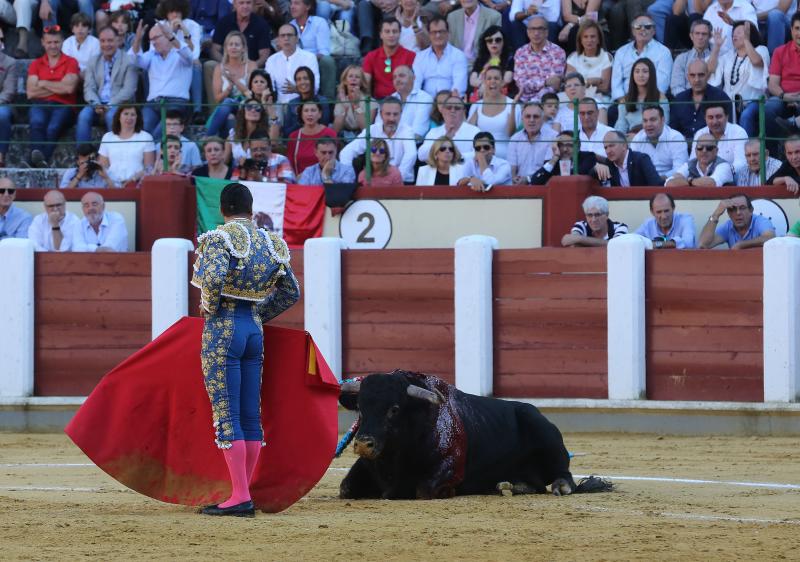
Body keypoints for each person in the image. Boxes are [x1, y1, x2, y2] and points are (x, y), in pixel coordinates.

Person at [192, 182, 300, 517]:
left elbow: (212, 280)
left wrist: (209, 306)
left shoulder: (218, 238)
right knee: (250, 414)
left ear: (222, 209)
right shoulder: (272, 242)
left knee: (228, 413)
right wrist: (257, 313)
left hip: (223, 329)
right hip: (253, 332)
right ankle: (244, 491)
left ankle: (240, 496)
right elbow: (290, 292)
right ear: (251, 209)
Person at [26, 26, 80, 168]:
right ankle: (40, 162)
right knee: (37, 122)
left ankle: (34, 161)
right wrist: (58, 86)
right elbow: (31, 92)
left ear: (62, 42)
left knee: (53, 127)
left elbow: (69, 88)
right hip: (40, 104)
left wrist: (43, 83)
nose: (53, 46)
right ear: (43, 43)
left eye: (56, 42)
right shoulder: (35, 64)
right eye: (49, 42)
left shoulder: (71, 62)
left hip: (65, 106)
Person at [77, 26, 139, 145]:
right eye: (103, 41)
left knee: (111, 115)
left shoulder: (128, 60)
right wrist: (96, 104)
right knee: (83, 116)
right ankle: (83, 156)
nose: (106, 44)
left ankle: (116, 154)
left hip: (119, 104)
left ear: (118, 40)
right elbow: (89, 87)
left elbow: (129, 89)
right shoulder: (93, 61)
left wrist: (110, 105)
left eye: (110, 40)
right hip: (98, 104)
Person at [131, 20, 193, 138]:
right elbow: (134, 61)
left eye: (156, 38)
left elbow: (189, 56)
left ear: (167, 36)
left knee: (157, 136)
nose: (153, 42)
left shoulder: (180, 53)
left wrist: (171, 36)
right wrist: (138, 38)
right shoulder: (151, 54)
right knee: (143, 134)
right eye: (151, 39)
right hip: (153, 104)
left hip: (176, 103)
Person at [711, 20, 769, 137]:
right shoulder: (728, 56)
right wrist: (716, 48)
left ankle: (746, 150)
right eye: (734, 33)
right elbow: (710, 70)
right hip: (730, 103)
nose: (734, 35)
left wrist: (747, 40)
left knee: (746, 115)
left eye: (739, 32)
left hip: (753, 102)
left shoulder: (761, 49)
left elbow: (756, 61)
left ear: (749, 34)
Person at [339, 98, 417, 182]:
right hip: (375, 182)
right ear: (381, 114)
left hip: (402, 182)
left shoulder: (407, 130)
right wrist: (349, 179)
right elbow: (346, 153)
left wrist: (396, 178)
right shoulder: (373, 130)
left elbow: (411, 154)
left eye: (395, 114)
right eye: (388, 114)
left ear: (401, 114)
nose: (392, 118)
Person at [610, 14, 672, 102]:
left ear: (654, 31)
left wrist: (645, 100)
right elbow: (616, 82)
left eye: (647, 26)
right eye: (638, 26)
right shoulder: (621, 52)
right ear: (633, 31)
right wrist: (622, 101)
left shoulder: (664, 52)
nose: (643, 29)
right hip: (625, 101)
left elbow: (662, 83)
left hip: (652, 100)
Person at [206, 31, 256, 137]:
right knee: (229, 116)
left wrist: (234, 80)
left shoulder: (251, 65)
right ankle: (230, 149)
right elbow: (218, 99)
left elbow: (252, 94)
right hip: (226, 109)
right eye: (231, 44)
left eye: (237, 45)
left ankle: (207, 136)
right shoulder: (219, 68)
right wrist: (228, 89)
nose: (234, 47)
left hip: (246, 105)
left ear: (243, 48)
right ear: (226, 48)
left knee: (228, 102)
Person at [669, 59, 733, 139]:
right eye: (692, 75)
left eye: (701, 75)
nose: (697, 80)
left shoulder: (720, 97)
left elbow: (728, 130)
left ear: (708, 76)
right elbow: (672, 131)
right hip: (683, 148)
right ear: (688, 77)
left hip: (712, 147)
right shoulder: (679, 100)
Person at [98, 104, 156, 187]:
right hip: (111, 184)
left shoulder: (146, 137)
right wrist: (111, 183)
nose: (129, 118)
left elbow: (149, 168)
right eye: (126, 114)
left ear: (137, 118)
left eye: (133, 115)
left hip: (137, 183)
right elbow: (103, 167)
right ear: (119, 117)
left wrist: (133, 179)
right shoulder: (107, 137)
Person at [766, 13, 800, 151]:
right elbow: (773, 84)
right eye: (797, 28)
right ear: (791, 30)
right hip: (783, 97)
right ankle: (776, 151)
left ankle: (793, 124)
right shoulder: (780, 52)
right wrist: (783, 96)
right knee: (768, 108)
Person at [412, 15, 469, 97]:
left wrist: (448, 103)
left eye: (441, 32)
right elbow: (415, 84)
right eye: (434, 32)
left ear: (448, 33)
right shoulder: (420, 57)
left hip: (450, 101)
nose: (437, 35)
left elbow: (459, 86)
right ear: (429, 34)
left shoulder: (458, 55)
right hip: (426, 101)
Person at [288, 0, 336, 99]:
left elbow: (324, 52)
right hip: (296, 63)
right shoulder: (290, 26)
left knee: (328, 61)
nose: (292, 6)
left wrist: (308, 59)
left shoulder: (319, 22)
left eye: (296, 3)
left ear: (308, 7)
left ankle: (328, 101)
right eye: (291, 3)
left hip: (316, 61)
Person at [467, 67, 518, 158]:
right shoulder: (476, 106)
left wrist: (513, 108)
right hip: (481, 155)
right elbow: (469, 133)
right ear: (484, 82)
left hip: (505, 156)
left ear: (502, 82)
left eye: (496, 78)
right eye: (489, 78)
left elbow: (511, 134)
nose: (492, 81)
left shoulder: (513, 105)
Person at [513, 15, 565, 102]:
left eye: (540, 29)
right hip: (523, 101)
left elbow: (554, 85)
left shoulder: (558, 52)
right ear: (528, 32)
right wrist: (545, 82)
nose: (536, 33)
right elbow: (521, 84)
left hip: (547, 103)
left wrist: (534, 102)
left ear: (547, 32)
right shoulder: (520, 52)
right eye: (533, 29)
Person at [630, 105, 688, 183]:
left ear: (663, 120)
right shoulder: (637, 139)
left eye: (653, 120)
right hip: (645, 183)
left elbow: (681, 169)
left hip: (670, 183)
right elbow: (633, 168)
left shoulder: (675, 137)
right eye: (645, 121)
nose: (648, 124)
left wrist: (658, 179)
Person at [264, 24, 319, 105]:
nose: (286, 38)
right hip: (279, 105)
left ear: (297, 39)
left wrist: (297, 89)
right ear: (278, 40)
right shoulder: (271, 60)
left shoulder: (309, 57)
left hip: (304, 104)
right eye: (283, 36)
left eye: (289, 35)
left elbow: (315, 87)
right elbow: (268, 86)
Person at [364, 17, 417, 99]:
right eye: (387, 31)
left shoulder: (411, 56)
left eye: (394, 31)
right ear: (381, 34)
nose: (391, 35)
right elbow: (365, 84)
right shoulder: (371, 56)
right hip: (378, 102)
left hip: (403, 101)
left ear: (400, 34)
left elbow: (414, 83)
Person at [615, 57, 670, 136]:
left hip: (653, 139)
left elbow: (665, 126)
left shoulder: (661, 98)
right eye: (637, 72)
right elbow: (621, 126)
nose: (641, 75)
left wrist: (638, 136)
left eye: (645, 71)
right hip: (631, 141)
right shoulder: (625, 100)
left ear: (651, 74)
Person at [699, 193, 775, 249]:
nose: (738, 213)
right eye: (733, 209)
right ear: (728, 213)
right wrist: (716, 214)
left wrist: (741, 245)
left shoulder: (760, 221)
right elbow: (703, 244)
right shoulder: (728, 226)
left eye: (742, 208)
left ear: (751, 210)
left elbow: (770, 238)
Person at [418, 95, 481, 162]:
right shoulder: (434, 132)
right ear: (442, 111)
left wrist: (456, 156)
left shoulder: (474, 131)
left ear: (463, 112)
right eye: (449, 108)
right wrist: (443, 141)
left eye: (457, 108)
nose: (452, 111)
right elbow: (421, 155)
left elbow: (480, 153)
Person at [565, 20, 612, 108]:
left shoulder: (606, 57)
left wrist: (580, 85)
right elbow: (570, 84)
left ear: (599, 39)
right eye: (585, 37)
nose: (589, 40)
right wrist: (592, 81)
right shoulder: (573, 58)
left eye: (593, 36)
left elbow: (605, 87)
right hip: (574, 98)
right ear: (580, 40)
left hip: (599, 97)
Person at [287, 99, 338, 176]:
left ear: (320, 114)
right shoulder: (294, 136)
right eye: (306, 111)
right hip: (300, 182)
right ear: (301, 114)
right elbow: (290, 164)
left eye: (313, 110)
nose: (309, 114)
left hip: (324, 179)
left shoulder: (330, 133)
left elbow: (334, 161)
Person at [593, 130, 662, 187]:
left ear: (624, 145)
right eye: (606, 148)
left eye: (612, 145)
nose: (608, 151)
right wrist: (596, 168)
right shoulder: (608, 164)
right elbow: (590, 175)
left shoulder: (641, 159)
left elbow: (657, 185)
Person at [691, 103, 748, 170]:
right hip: (703, 178)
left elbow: (741, 164)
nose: (715, 122)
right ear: (705, 118)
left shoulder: (738, 132)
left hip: (731, 178)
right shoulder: (700, 133)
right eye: (710, 117)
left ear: (727, 117)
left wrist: (720, 175)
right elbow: (692, 162)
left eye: (718, 117)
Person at [508, 102, 555, 183]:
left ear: (543, 119)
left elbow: (549, 168)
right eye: (528, 116)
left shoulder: (553, 137)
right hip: (519, 186)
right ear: (522, 119)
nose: (531, 120)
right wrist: (514, 178)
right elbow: (512, 169)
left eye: (536, 117)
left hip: (543, 184)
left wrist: (528, 179)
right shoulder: (515, 138)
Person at [383, 65, 433, 141]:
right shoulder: (389, 99)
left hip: (412, 146)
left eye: (401, 76)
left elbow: (418, 132)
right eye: (394, 77)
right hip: (387, 146)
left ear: (413, 78)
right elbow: (380, 127)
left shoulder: (425, 98)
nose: (397, 79)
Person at [670, 19, 719, 96]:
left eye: (704, 34)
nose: (700, 37)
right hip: (687, 102)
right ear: (691, 36)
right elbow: (676, 87)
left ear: (710, 36)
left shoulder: (718, 56)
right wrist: (689, 100)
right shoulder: (681, 59)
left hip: (712, 101)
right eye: (697, 33)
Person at [665, 134, 735, 187]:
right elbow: (669, 183)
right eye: (700, 148)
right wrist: (692, 182)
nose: (704, 151)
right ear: (695, 150)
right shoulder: (689, 164)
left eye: (709, 148)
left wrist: (689, 181)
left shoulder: (724, 166)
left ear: (716, 151)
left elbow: (711, 183)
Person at [529, 132, 598, 184]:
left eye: (569, 145)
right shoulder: (553, 163)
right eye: (561, 145)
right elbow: (535, 181)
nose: (565, 149)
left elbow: (581, 173)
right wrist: (555, 158)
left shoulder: (588, 157)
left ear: (578, 147)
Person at [282, 67, 331, 137]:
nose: (302, 82)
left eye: (306, 78)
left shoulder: (322, 101)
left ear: (312, 80)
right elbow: (286, 132)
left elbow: (324, 126)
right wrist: (299, 118)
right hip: (298, 141)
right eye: (299, 79)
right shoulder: (292, 103)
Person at [469, 25, 513, 103]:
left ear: (504, 41)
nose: (494, 43)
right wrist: (482, 85)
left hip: (501, 96)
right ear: (485, 43)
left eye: (498, 40)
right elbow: (472, 80)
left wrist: (486, 86)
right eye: (490, 40)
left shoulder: (509, 59)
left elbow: (507, 79)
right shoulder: (480, 60)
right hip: (480, 95)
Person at [561, 195, 628, 247]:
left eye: (597, 215)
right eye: (590, 215)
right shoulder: (581, 225)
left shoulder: (620, 227)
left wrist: (580, 239)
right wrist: (605, 244)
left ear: (607, 215)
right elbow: (566, 241)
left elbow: (616, 245)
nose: (594, 219)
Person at [447, 0, 501, 64]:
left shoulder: (493, 17)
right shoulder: (452, 17)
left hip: (481, 66)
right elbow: (448, 47)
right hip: (456, 65)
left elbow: (496, 51)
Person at [333, 65, 379, 139]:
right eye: (350, 76)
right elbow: (335, 130)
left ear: (362, 82)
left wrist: (356, 105)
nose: (353, 79)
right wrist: (345, 108)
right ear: (345, 81)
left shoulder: (371, 102)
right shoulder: (341, 101)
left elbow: (366, 129)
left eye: (357, 77)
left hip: (363, 139)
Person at [226, 98, 272, 167]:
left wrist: (271, 110)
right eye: (249, 107)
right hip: (237, 175)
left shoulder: (266, 133)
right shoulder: (233, 134)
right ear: (243, 111)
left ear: (261, 113)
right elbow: (224, 161)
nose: (253, 110)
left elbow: (274, 143)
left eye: (257, 108)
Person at [0, 29, 17, 168]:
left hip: (2, 103)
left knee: (3, 115)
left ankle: (1, 155)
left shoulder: (9, 62)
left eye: (1, 39)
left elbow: (9, 91)